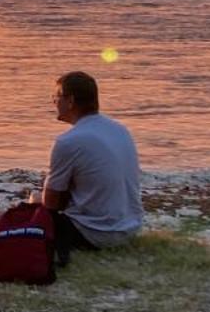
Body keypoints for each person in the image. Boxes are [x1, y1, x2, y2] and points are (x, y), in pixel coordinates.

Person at [26, 69, 142, 266]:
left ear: (70, 100)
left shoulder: (69, 141)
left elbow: (52, 204)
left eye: (56, 97)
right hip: (130, 227)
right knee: (36, 200)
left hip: (97, 233)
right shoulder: (120, 130)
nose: (54, 102)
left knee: (9, 213)